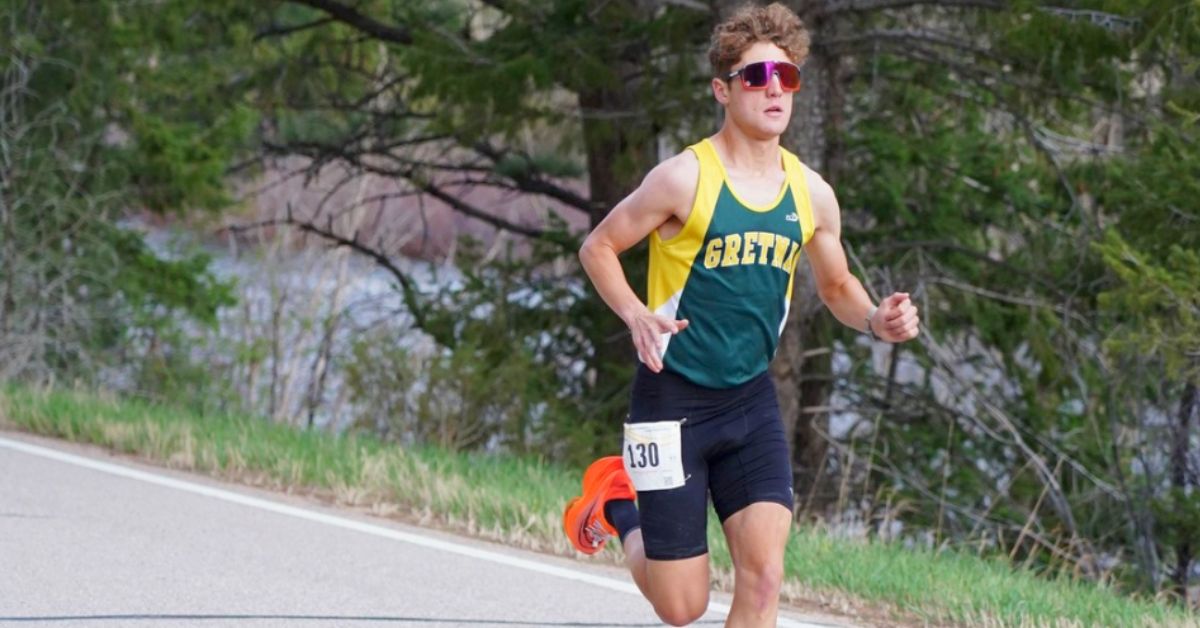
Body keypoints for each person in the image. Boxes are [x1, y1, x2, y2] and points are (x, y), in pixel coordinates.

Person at [563, 3, 920, 626]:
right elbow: (598, 246)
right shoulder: (683, 179)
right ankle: (617, 502)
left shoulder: (810, 192)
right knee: (682, 607)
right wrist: (635, 314)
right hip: (671, 401)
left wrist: (874, 321)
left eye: (788, 76)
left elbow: (836, 286)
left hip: (749, 402)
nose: (775, 88)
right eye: (757, 77)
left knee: (765, 577)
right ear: (722, 91)